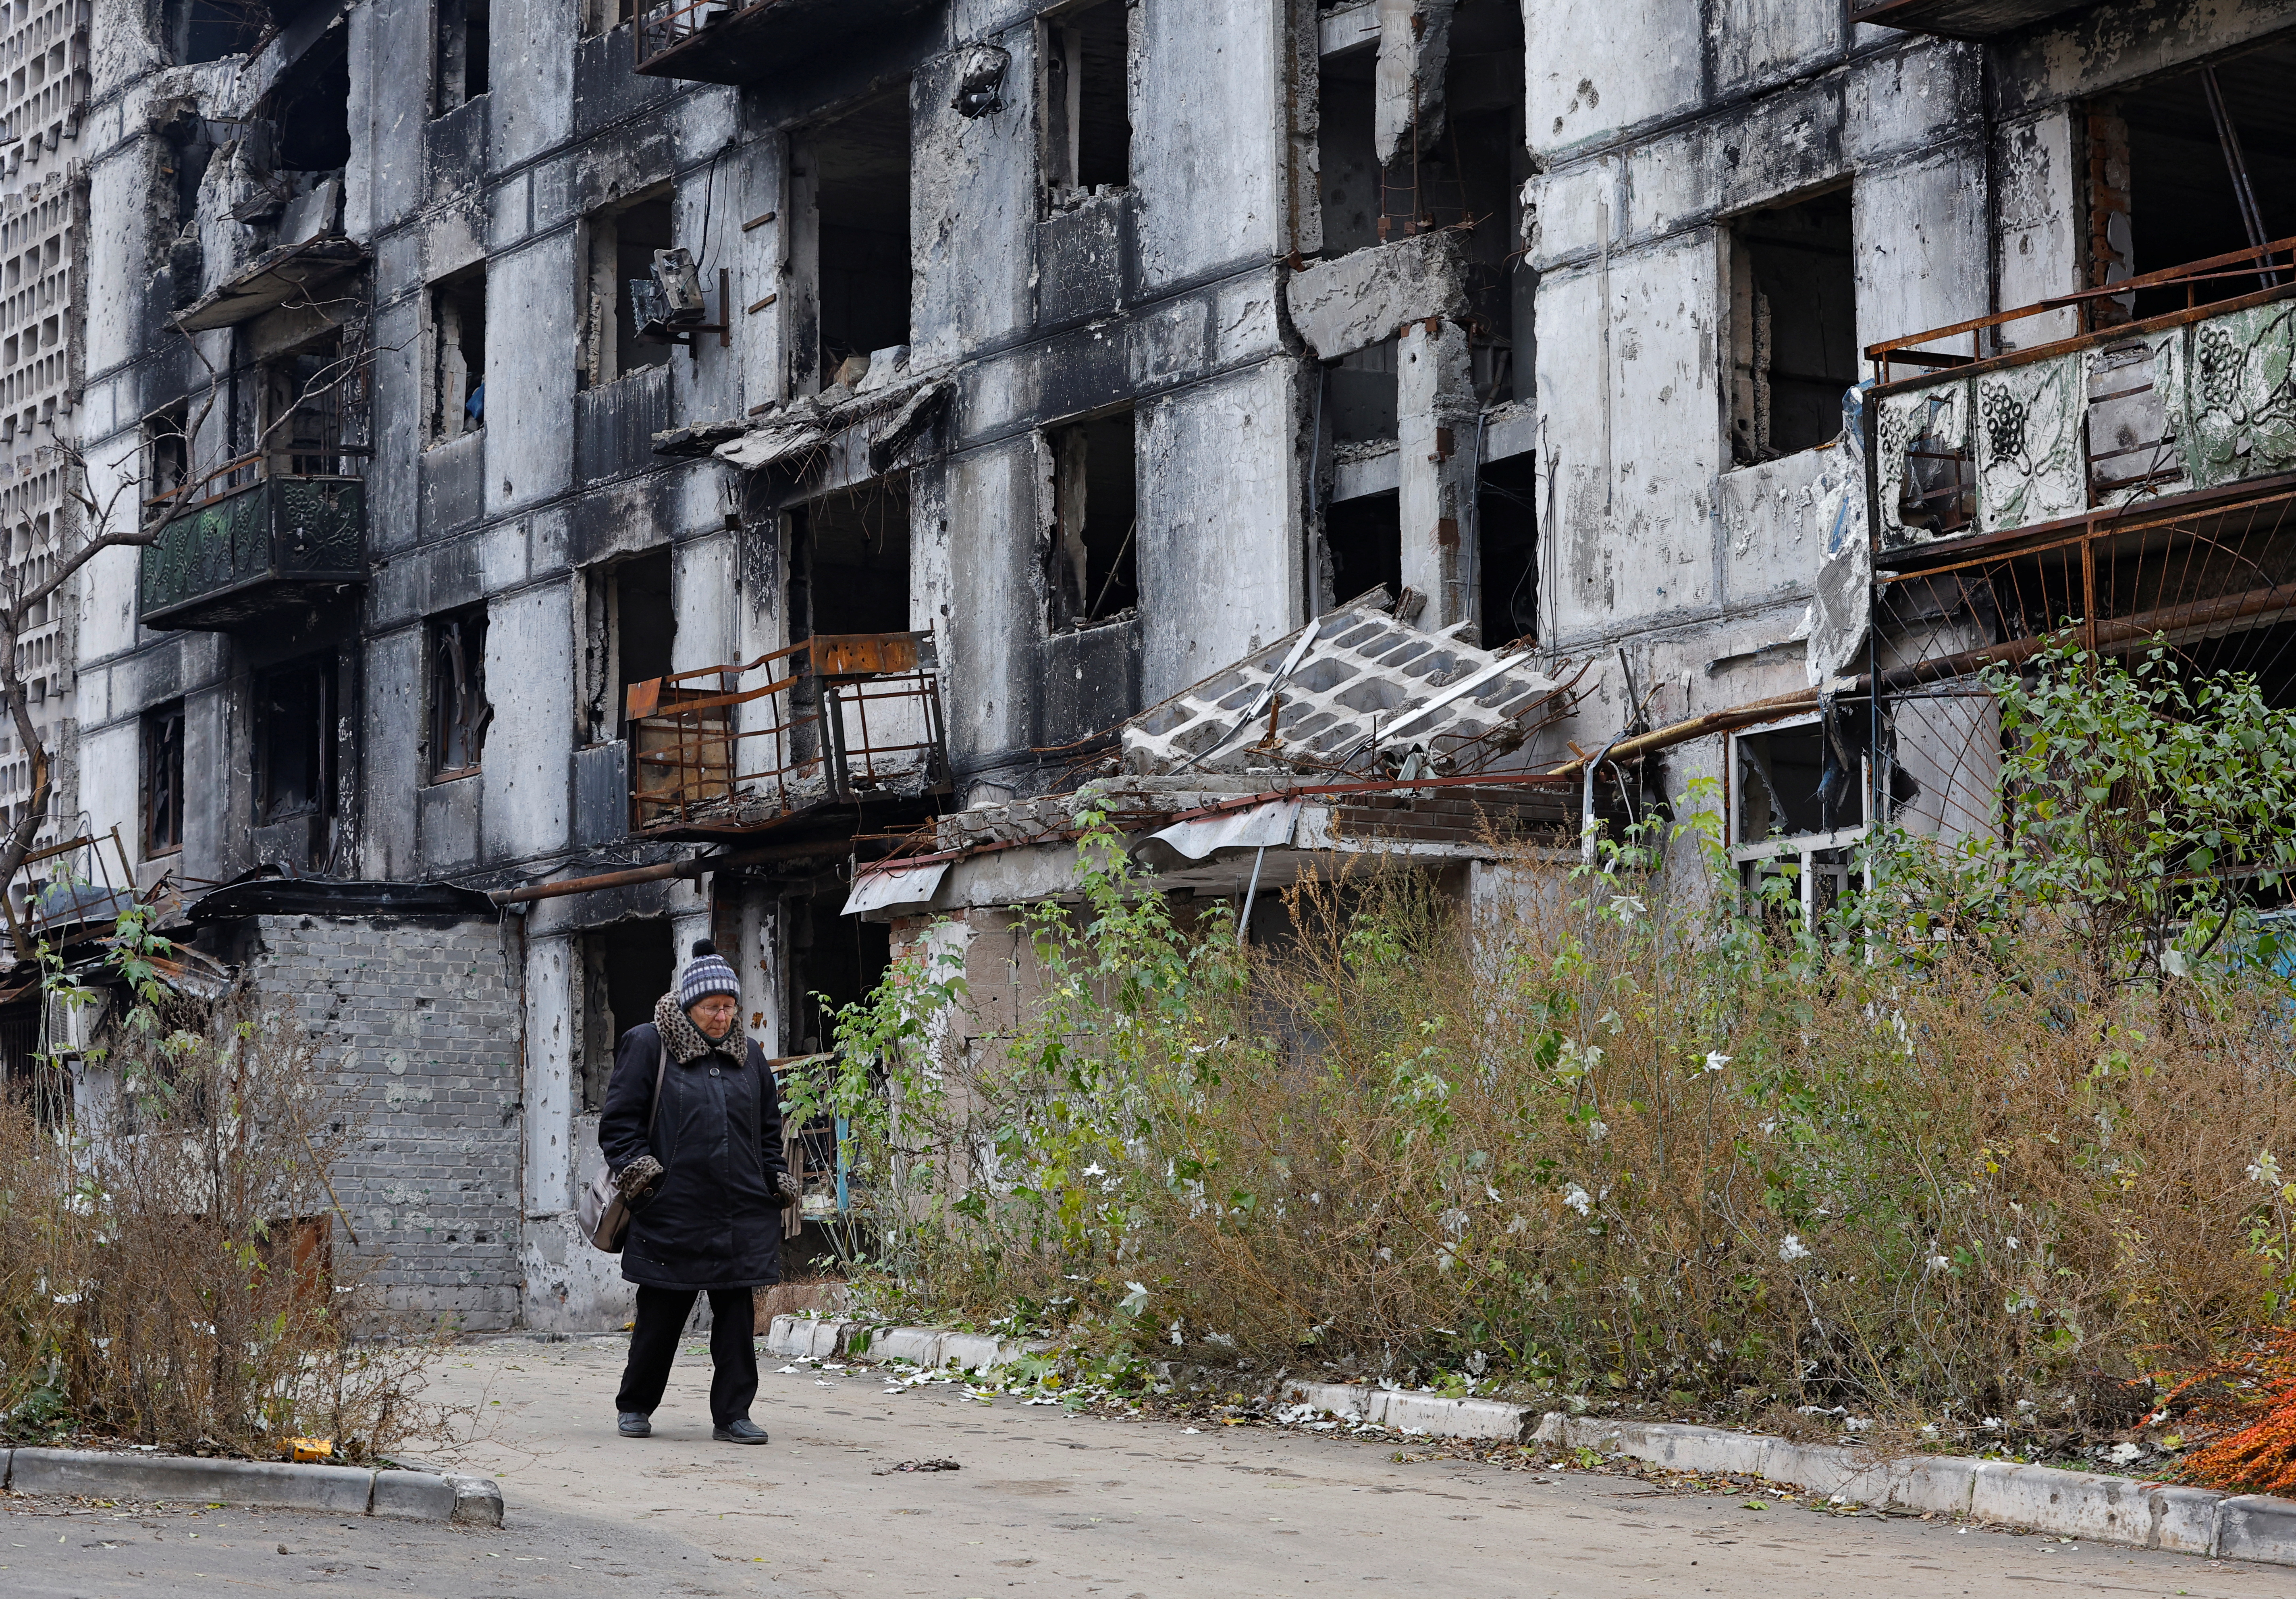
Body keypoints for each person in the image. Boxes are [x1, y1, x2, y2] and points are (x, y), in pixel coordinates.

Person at [599, 939, 799, 1444]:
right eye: (713, 1007)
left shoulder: (749, 1056)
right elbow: (620, 1126)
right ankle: (636, 1404)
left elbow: (768, 1131)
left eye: (729, 1007)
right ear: (689, 1005)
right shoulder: (648, 1043)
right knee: (660, 1319)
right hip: (672, 1211)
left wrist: (774, 1179)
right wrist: (646, 1183)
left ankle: (733, 1415)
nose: (722, 1017)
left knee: (736, 1323)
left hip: (739, 1213)